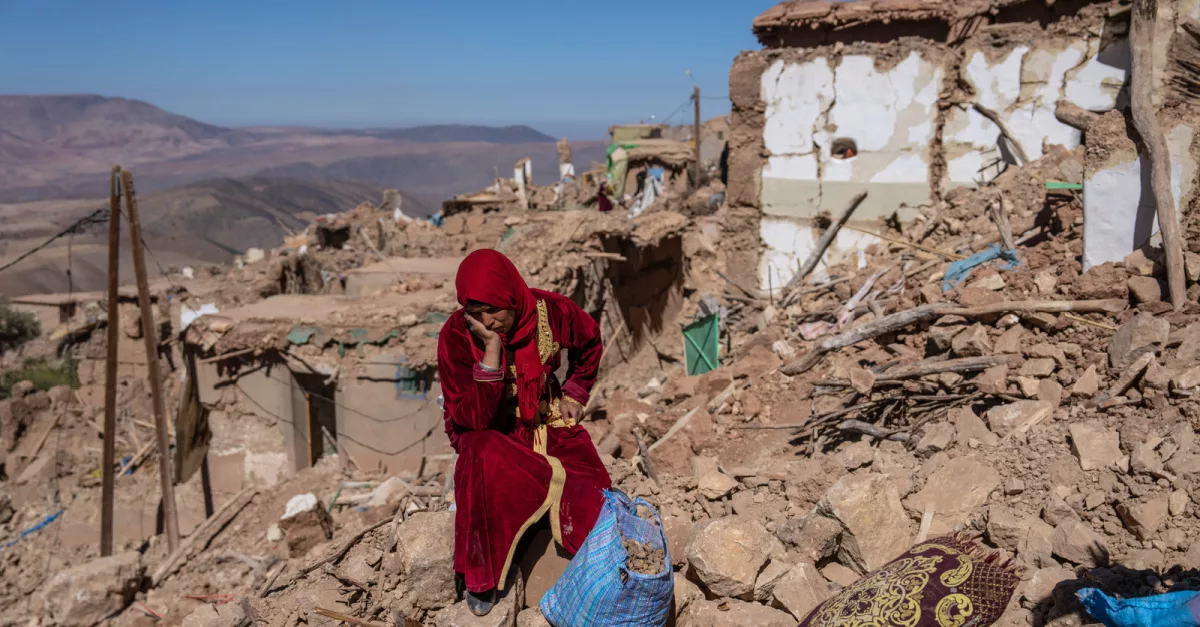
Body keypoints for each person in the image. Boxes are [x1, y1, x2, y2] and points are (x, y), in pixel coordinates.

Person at [437, 249, 612, 616]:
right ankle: (483, 578)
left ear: (512, 298)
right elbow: (472, 419)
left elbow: (591, 342)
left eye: (494, 310)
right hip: (492, 434)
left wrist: (576, 393)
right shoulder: (457, 335)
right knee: (479, 455)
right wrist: (491, 351)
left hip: (545, 421)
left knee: (593, 501)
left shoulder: (552, 311)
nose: (487, 320)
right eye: (475, 311)